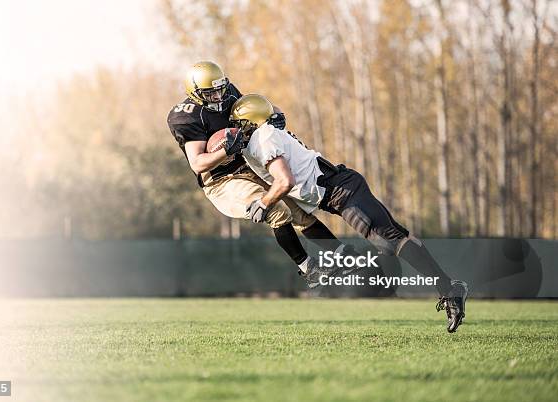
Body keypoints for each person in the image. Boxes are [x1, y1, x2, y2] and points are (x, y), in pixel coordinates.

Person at [229, 94, 468, 333]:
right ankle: (440, 288)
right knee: (390, 242)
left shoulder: (264, 137)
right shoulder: (262, 137)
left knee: (390, 239)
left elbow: (285, 181)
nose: (235, 130)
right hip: (335, 193)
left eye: (238, 124)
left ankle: (449, 289)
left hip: (342, 192)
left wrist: (264, 202)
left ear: (250, 123)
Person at [167, 61, 356, 289]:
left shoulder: (227, 93)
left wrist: (274, 114)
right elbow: (198, 163)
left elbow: (253, 106)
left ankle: (343, 255)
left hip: (248, 165)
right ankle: (309, 268)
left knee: (298, 211)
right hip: (221, 180)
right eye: (210, 92)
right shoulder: (186, 117)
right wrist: (227, 149)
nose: (218, 95)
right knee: (276, 210)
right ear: (195, 94)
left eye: (220, 88)